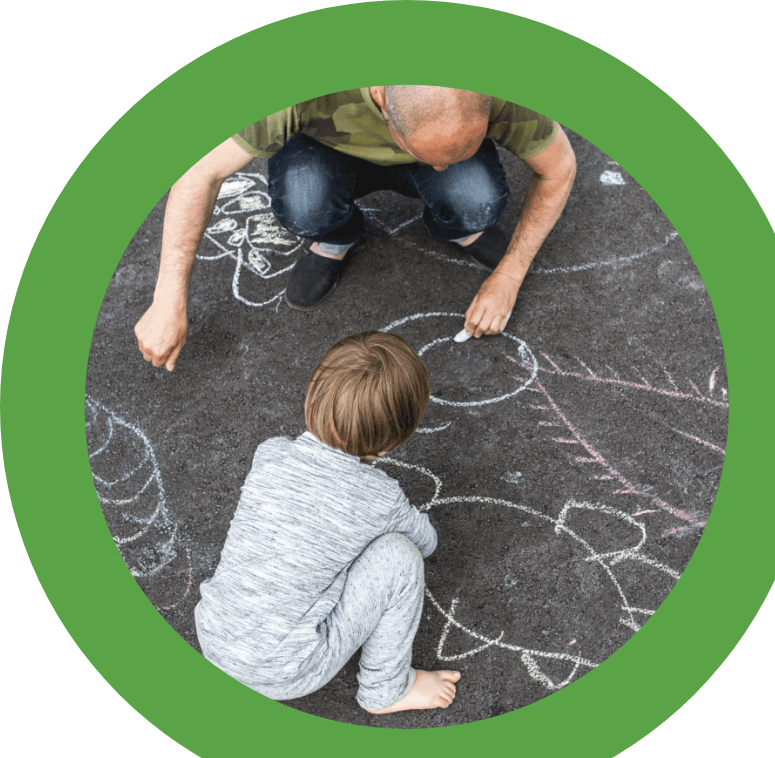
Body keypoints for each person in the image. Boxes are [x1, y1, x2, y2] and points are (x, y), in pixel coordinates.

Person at [136, 86, 577, 371]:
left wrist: (509, 276)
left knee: (474, 196)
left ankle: (458, 224)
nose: (442, 167)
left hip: (425, 135)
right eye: (435, 156)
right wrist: (168, 297)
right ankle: (335, 234)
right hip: (326, 148)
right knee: (302, 205)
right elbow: (198, 175)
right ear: (383, 100)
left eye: (455, 151)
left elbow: (560, 169)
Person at [193, 331, 461, 713]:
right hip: (284, 671)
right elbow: (426, 541)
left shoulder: (271, 454)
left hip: (215, 637)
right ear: (390, 445)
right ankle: (387, 688)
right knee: (399, 557)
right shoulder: (380, 496)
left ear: (311, 397)